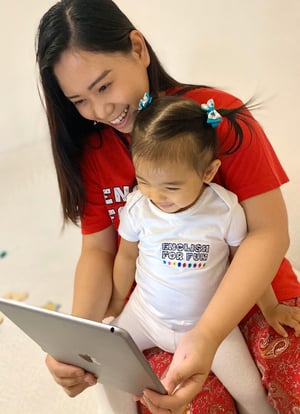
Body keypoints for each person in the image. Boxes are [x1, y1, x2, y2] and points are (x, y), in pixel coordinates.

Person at [35, 0, 300, 413]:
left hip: (252, 294)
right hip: (159, 310)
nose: (100, 111)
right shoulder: (92, 150)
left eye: (104, 86)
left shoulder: (217, 119)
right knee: (172, 403)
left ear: (137, 49)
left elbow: (268, 233)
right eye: (79, 101)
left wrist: (210, 333)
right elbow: (101, 251)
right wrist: (78, 342)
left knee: (290, 379)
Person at [109, 95, 300, 414]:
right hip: (145, 315)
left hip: (209, 324)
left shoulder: (224, 210)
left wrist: (270, 308)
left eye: (170, 187)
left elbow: (247, 262)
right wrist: (114, 306)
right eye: (144, 181)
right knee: (107, 366)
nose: (156, 196)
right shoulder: (138, 207)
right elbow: (126, 257)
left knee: (251, 390)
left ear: (209, 172)